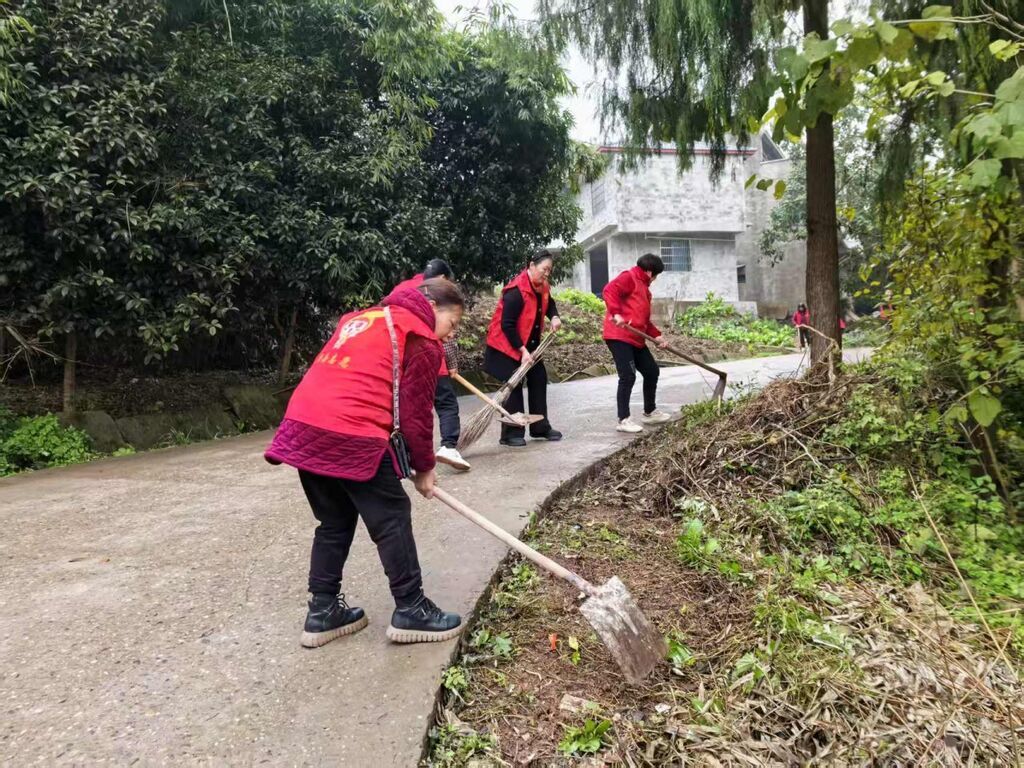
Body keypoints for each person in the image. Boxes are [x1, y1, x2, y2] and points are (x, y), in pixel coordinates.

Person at [265, 278, 465, 648]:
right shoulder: (420, 337)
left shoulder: (363, 318)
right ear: (432, 308)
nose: (450, 334)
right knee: (392, 516)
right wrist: (425, 468)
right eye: (452, 323)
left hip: (304, 426)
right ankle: (412, 609)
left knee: (334, 520)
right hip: (351, 430)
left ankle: (322, 611)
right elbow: (416, 415)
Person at [390, 259, 470, 471]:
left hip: (401, 362)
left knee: (404, 405)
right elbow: (446, 334)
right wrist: (452, 364)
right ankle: (448, 446)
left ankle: (404, 453)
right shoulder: (441, 296)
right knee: (443, 405)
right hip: (431, 361)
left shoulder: (402, 289)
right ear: (443, 278)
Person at [484, 251, 563, 447]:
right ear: (531, 266)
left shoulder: (542, 285)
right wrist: (522, 351)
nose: (547, 274)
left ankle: (540, 427)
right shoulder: (515, 291)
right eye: (544, 269)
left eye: (549, 270)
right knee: (514, 386)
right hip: (506, 345)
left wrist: (554, 316)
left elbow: (549, 303)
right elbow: (507, 325)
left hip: (531, 344)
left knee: (539, 378)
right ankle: (511, 433)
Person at [602, 253, 672, 433]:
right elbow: (609, 290)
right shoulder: (629, 277)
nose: (655, 279)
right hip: (619, 336)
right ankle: (623, 419)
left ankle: (649, 412)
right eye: (656, 275)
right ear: (649, 272)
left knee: (651, 371)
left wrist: (657, 336)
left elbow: (644, 321)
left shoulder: (645, 291)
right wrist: (616, 313)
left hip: (636, 337)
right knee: (628, 376)